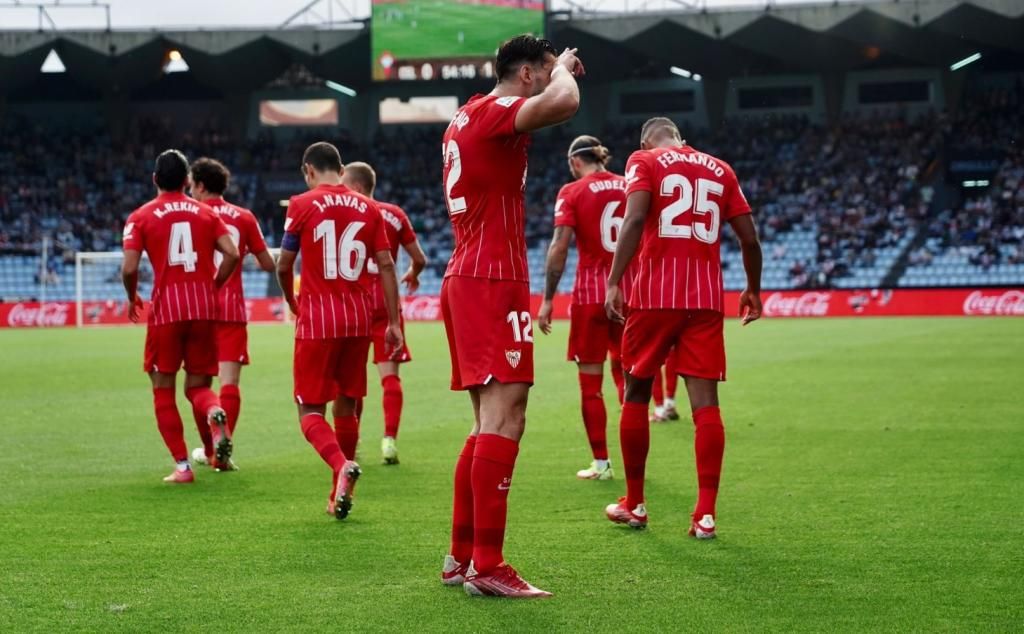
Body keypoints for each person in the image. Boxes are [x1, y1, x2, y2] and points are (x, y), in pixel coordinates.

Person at [439, 34, 584, 599]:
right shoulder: (499, 109)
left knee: (484, 425)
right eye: (543, 70)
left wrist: (558, 70)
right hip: (490, 278)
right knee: (507, 417)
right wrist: (566, 70)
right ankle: (488, 565)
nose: (551, 78)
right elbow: (564, 104)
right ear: (527, 74)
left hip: (469, 273)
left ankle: (461, 556)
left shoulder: (466, 115)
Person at [603, 117, 763, 539]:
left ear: (644, 140)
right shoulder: (721, 169)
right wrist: (753, 289)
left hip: (654, 295)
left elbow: (635, 220)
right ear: (680, 137)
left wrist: (615, 278)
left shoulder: (644, 160)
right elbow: (749, 238)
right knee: (706, 404)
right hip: (706, 299)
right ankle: (705, 515)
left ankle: (634, 504)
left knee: (636, 392)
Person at [276, 142, 403, 521]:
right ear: (341, 167)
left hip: (318, 319)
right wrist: (394, 322)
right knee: (346, 403)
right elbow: (386, 265)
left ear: (308, 171)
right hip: (358, 319)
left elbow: (284, 264)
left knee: (309, 409)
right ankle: (337, 495)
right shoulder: (368, 206)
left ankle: (340, 466)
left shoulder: (300, 204)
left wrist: (292, 300)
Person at [121, 149, 240, 484]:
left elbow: (129, 268)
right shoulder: (205, 213)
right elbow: (232, 252)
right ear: (188, 181)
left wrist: (132, 298)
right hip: (204, 309)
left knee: (163, 389)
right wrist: (213, 285)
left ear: (155, 179)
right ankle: (215, 417)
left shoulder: (141, 216)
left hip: (167, 312)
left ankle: (183, 467)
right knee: (199, 386)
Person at [537, 135, 627, 481]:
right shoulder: (630, 184)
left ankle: (602, 464)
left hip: (591, 295)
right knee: (631, 378)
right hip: (629, 292)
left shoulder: (572, 192)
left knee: (591, 385)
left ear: (575, 162)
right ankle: (635, 457)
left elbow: (560, 247)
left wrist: (547, 298)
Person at [187, 157, 275, 470]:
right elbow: (268, 264)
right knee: (230, 383)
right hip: (232, 308)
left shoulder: (191, 214)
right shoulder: (244, 217)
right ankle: (220, 456)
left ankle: (210, 446)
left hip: (197, 308)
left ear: (199, 185)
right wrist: (246, 252)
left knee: (198, 385)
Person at [340, 161, 427, 466]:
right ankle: (389, 440)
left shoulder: (346, 212)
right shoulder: (395, 214)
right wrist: (413, 273)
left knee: (353, 379)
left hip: (355, 303)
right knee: (389, 377)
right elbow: (419, 258)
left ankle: (355, 439)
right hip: (387, 303)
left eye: (345, 184)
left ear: (359, 188)